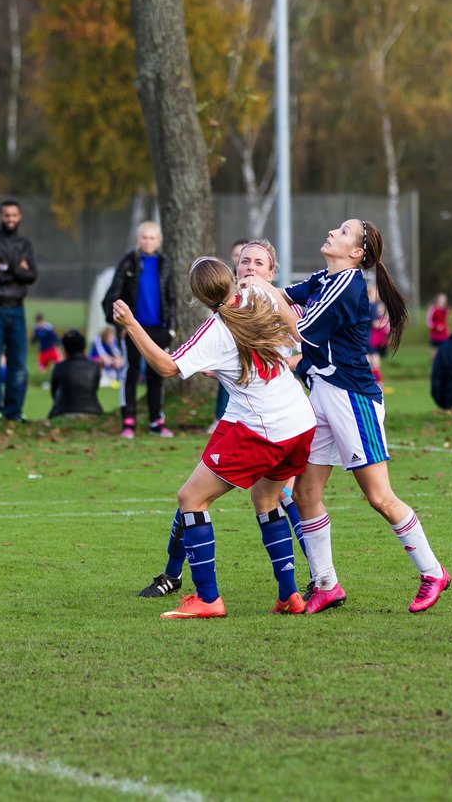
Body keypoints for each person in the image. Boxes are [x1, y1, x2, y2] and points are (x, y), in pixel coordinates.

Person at [252, 219, 451, 614]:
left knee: (379, 496)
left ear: (358, 253)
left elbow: (303, 330)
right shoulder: (325, 277)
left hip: (351, 397)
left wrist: (267, 295)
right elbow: (282, 296)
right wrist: (254, 283)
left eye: (343, 232)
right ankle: (326, 584)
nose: (332, 232)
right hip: (322, 394)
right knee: (306, 493)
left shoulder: (347, 284)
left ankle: (433, 572)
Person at [114, 257, 316, 619]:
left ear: (197, 296)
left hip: (264, 428)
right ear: (231, 278)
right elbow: (287, 330)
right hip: (299, 419)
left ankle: (208, 598)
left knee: (191, 497)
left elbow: (167, 366)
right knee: (266, 499)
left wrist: (131, 324)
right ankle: (289, 595)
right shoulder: (257, 296)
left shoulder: (215, 329)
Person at [102, 221, 177, 439]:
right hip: (132, 329)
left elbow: (171, 299)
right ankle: (128, 421)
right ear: (138, 239)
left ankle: (156, 421)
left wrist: (170, 330)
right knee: (131, 373)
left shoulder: (165, 264)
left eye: (152, 238)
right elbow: (112, 296)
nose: (148, 241)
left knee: (157, 374)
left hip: (158, 330)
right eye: (144, 237)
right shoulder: (127, 263)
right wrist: (122, 324)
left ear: (158, 241)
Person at [0, 200, 38, 422]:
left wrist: (6, 266)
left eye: (14, 215)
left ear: (20, 216)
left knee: (19, 363)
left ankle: (14, 410)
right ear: (0, 217)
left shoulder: (25, 244)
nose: (10, 219)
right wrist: (18, 268)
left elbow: (32, 275)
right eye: (7, 215)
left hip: (17, 310)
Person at [210, 239, 248, 432]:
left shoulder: (263, 291)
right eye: (238, 257)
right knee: (226, 378)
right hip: (229, 342)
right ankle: (221, 417)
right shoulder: (223, 284)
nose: (244, 263)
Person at [48, 330, 104, 419]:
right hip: (92, 411)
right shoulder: (94, 367)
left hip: (62, 412)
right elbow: (94, 389)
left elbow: (54, 392)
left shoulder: (59, 367)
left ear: (64, 349)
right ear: (84, 348)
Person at [368, 294, 390, 387]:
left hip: (378, 343)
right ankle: (377, 382)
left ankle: (378, 382)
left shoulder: (384, 318)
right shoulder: (374, 318)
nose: (379, 311)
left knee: (374, 363)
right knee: (372, 362)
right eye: (378, 309)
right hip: (371, 342)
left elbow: (387, 329)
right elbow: (376, 325)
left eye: (381, 309)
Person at [426, 293, 449, 360]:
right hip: (435, 334)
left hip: (444, 334)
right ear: (437, 300)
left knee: (445, 350)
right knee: (435, 351)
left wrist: (446, 330)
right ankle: (433, 365)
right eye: (441, 299)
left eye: (444, 300)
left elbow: (444, 321)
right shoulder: (433, 309)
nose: (443, 301)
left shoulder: (446, 310)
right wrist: (436, 327)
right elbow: (428, 321)